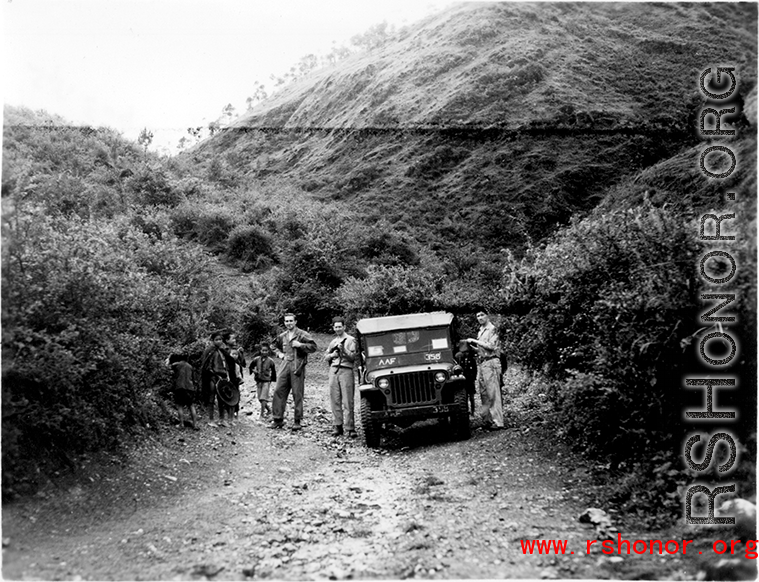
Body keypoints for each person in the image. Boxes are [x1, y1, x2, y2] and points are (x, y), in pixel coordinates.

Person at [270, 313, 317, 431]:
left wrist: (300, 345)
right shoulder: (283, 336)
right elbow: (273, 346)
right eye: (286, 321)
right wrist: (279, 354)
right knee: (279, 390)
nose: (289, 323)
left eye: (291, 321)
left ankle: (297, 420)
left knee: (297, 393)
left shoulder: (302, 334)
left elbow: (313, 347)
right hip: (285, 364)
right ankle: (277, 419)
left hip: (297, 364)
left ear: (295, 322)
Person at [467, 309, 504, 430]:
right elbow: (482, 350)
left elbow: (491, 347)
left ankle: (498, 422)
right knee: (484, 394)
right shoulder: (481, 331)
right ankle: (487, 421)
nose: (480, 318)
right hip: (482, 363)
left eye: (482, 315)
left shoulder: (492, 329)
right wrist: (473, 348)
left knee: (493, 393)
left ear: (487, 316)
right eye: (477, 316)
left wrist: (475, 341)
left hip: (492, 362)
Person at [324, 316, 357, 437]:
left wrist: (344, 351)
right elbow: (326, 357)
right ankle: (337, 426)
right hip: (334, 370)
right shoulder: (333, 342)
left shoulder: (351, 340)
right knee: (335, 399)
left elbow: (353, 357)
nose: (338, 329)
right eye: (336, 327)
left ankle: (350, 427)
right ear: (333, 328)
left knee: (348, 399)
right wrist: (333, 354)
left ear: (344, 327)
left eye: (340, 326)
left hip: (346, 370)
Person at [200, 331, 239, 426]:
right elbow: (206, 366)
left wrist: (228, 376)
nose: (219, 341)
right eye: (216, 340)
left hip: (223, 377)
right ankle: (211, 420)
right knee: (211, 398)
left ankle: (222, 419)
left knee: (222, 399)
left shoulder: (223, 351)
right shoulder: (209, 351)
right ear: (212, 340)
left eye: (220, 339)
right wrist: (215, 374)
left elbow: (228, 365)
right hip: (213, 377)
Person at [168, 353, 199, 430]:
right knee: (191, 405)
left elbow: (167, 367)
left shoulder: (176, 365)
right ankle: (195, 424)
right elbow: (194, 379)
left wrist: (169, 358)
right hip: (190, 388)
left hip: (180, 387)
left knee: (180, 405)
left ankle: (181, 424)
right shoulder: (190, 366)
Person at [249, 343, 277, 419]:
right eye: (263, 350)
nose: (264, 352)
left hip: (266, 381)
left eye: (266, 351)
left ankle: (262, 415)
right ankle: (269, 409)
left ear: (268, 351)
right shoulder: (256, 359)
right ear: (260, 351)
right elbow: (251, 366)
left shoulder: (271, 361)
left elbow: (274, 371)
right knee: (259, 398)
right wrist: (253, 371)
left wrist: (272, 379)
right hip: (258, 380)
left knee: (263, 398)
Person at [454, 339, 477, 416]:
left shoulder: (472, 359)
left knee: (472, 397)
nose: (466, 353)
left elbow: (475, 370)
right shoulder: (460, 359)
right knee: (464, 398)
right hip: (463, 380)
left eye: (467, 352)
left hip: (470, 380)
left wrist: (474, 378)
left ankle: (473, 411)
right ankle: (465, 411)